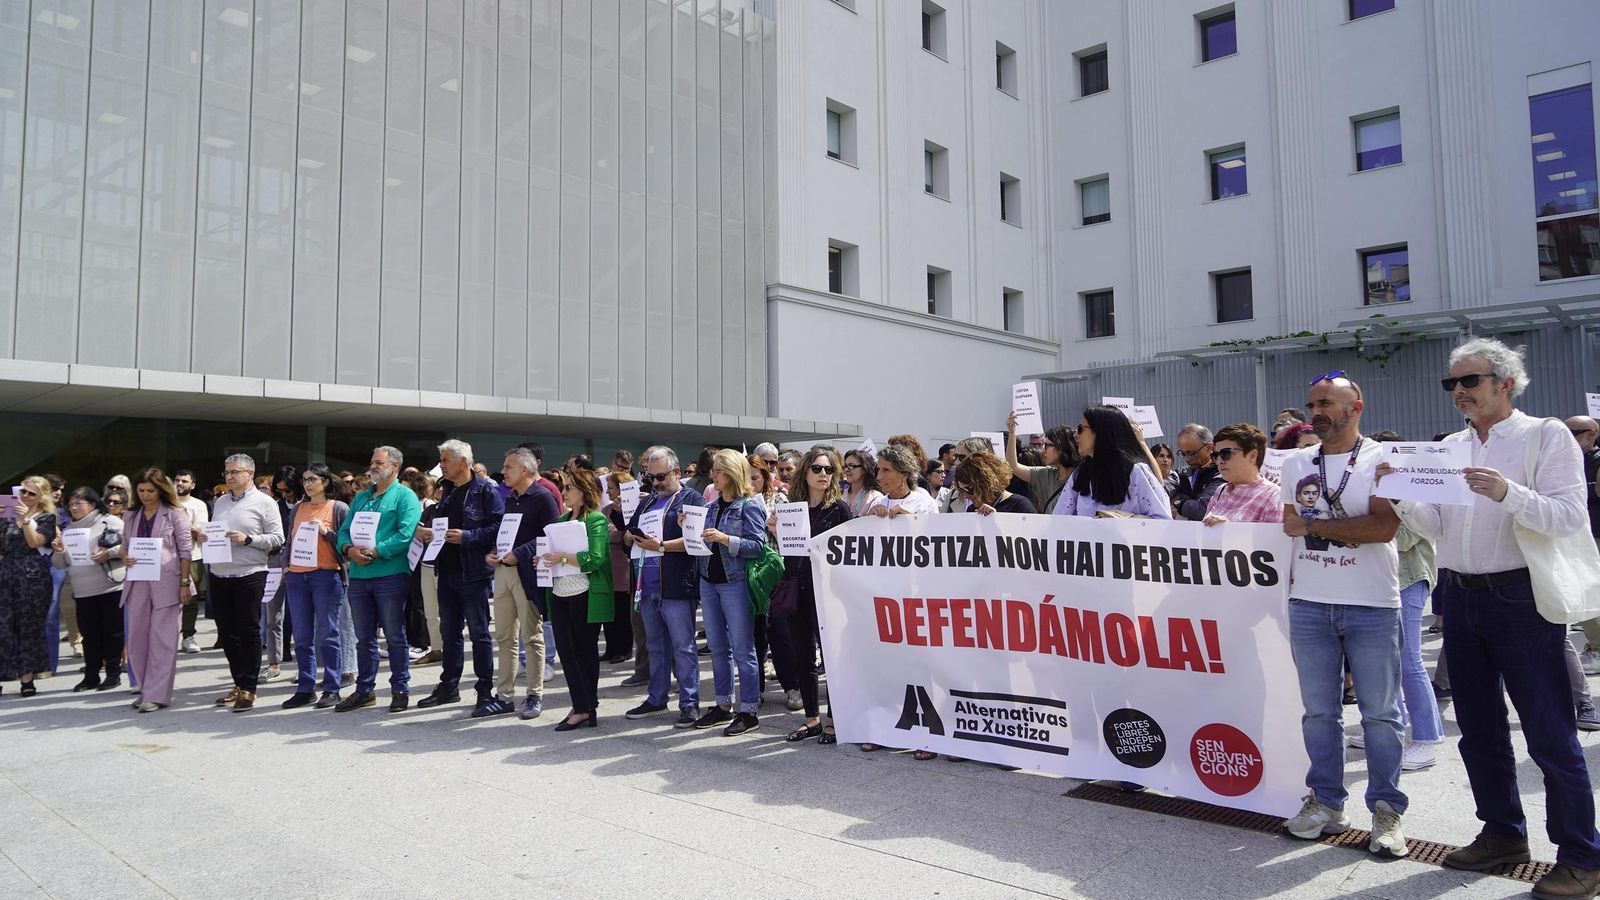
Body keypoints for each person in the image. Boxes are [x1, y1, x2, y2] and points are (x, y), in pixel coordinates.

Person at [1383, 339, 1600, 894]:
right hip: (1458, 594)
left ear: (1506, 383)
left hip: (1520, 597)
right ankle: (1502, 832)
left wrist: (1510, 493)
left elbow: (1571, 516)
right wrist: (1401, 495)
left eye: (1469, 381)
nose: (1458, 392)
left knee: (1549, 732)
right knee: (1477, 730)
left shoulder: (1544, 435)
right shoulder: (1451, 446)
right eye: (1451, 383)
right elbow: (1438, 528)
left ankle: (1582, 856)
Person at [1276, 372, 1408, 858]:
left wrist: (1316, 525)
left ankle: (1387, 810)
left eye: (1326, 403)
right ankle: (1327, 802)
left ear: (1356, 407)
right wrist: (1335, 528)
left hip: (1372, 602)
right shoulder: (1295, 462)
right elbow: (1290, 526)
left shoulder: (1383, 459)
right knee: (1319, 713)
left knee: (1380, 713)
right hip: (1309, 600)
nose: (1316, 412)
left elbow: (1382, 527)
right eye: (1312, 404)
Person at [1358, 431, 1444, 772]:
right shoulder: (1371, 485)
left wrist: (1370, 523)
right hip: (1378, 581)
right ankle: (1394, 727)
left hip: (1409, 578)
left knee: (1409, 660)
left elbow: (1404, 535)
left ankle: (1427, 738)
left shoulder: (1411, 485)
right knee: (1383, 661)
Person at [415, 439, 504, 716]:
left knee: (479, 634)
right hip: (447, 570)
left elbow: (499, 526)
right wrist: (430, 533)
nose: (441, 465)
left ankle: (485, 690)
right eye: (441, 460)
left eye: (445, 460)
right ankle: (449, 686)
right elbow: (444, 526)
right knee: (449, 632)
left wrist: (468, 537)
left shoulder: (485, 490)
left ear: (463, 462)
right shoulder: (448, 491)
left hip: (473, 573)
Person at [622, 447, 707, 727]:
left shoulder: (691, 498)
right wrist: (630, 535)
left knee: (683, 647)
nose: (656, 483)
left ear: (677, 473)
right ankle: (657, 698)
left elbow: (696, 540)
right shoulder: (647, 502)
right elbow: (628, 534)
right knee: (655, 646)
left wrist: (660, 545)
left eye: (661, 477)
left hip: (675, 585)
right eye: (651, 478)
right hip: (646, 585)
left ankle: (690, 703)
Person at [335, 447, 424, 713]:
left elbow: (406, 534)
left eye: (378, 462)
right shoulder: (361, 497)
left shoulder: (405, 496)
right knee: (364, 638)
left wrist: (376, 551)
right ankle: (364, 691)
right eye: (372, 461)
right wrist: (348, 550)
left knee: (395, 637)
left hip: (389, 575)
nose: (372, 466)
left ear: (395, 466)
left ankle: (400, 688)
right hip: (360, 577)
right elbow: (343, 532)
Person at [691, 449, 769, 736]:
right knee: (718, 648)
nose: (713, 475)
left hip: (734, 582)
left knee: (743, 649)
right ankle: (723, 705)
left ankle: (748, 710)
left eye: (718, 471)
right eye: (713, 470)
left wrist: (725, 539)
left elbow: (758, 546)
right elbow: (700, 545)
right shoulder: (711, 507)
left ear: (732, 474)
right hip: (708, 582)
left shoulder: (749, 506)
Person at [481, 446, 560, 719]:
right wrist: (494, 551)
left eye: (508, 467)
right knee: (504, 637)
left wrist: (520, 554)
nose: (503, 471)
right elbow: (507, 533)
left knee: (532, 636)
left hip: (527, 575)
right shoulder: (511, 499)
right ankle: (504, 696)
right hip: (502, 573)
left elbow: (550, 536)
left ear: (524, 469)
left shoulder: (544, 497)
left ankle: (534, 695)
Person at [202, 454, 285, 713]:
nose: (229, 477)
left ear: (250, 474)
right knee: (227, 633)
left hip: (250, 573)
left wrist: (248, 539)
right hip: (219, 573)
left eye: (234, 472)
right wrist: (205, 536)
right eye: (226, 472)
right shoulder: (221, 501)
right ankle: (238, 682)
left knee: (248, 631)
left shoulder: (265, 502)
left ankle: (249, 688)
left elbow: (277, 538)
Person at [781, 447, 852, 745]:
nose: (824, 475)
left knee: (831, 656)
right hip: (797, 588)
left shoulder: (839, 509)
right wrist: (776, 530)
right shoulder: (793, 507)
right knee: (802, 656)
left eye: (829, 470)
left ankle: (834, 720)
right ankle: (812, 718)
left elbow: (848, 553)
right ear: (806, 472)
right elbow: (789, 552)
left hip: (827, 592)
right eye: (818, 469)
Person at [541, 469, 613, 731]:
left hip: (585, 594)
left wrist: (561, 557)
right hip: (560, 593)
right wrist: (544, 558)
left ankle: (585, 708)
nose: (564, 492)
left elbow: (595, 559)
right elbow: (554, 553)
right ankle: (581, 705)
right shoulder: (561, 519)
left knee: (585, 652)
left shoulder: (596, 520)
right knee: (567, 654)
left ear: (584, 491)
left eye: (570, 488)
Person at [121, 468, 194, 712]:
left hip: (168, 582)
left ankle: (157, 693)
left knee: (163, 640)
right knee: (137, 638)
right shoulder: (131, 515)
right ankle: (144, 689)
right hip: (138, 580)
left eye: (150, 490)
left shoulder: (175, 514)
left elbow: (185, 551)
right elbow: (124, 547)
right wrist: (125, 557)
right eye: (140, 490)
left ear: (161, 489)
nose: (145, 495)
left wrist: (184, 583)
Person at [279, 463, 350, 710]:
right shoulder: (298, 508)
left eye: (313, 479)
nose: (308, 483)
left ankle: (332, 687)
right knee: (301, 635)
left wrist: (327, 533)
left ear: (325, 482)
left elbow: (345, 543)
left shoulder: (338, 508)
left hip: (326, 575)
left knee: (328, 633)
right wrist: (285, 565)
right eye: (305, 479)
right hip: (298, 577)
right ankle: (305, 687)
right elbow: (290, 540)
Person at [51, 488, 125, 692]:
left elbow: (128, 547)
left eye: (78, 503)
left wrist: (107, 554)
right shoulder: (69, 530)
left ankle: (112, 673)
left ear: (92, 504)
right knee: (89, 634)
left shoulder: (110, 522)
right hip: (83, 591)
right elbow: (59, 564)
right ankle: (91, 675)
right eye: (71, 504)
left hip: (110, 587)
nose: (73, 507)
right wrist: (58, 551)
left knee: (112, 632)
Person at [1053, 407, 1172, 519]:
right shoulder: (1080, 473)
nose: (1075, 435)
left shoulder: (1137, 472)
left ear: (1102, 432)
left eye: (1080, 429)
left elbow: (1163, 520)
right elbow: (1059, 519)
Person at [1, 476, 60, 697]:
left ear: (41, 497)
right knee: (4, 625)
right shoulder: (7, 516)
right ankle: (3, 674)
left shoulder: (46, 517)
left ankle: (27, 678)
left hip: (32, 575)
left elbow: (35, 542)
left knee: (28, 626)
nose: (25, 496)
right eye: (23, 491)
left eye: (31, 493)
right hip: (6, 573)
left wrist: (25, 520)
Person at [260, 465, 302, 682]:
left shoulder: (306, 505)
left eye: (288, 490)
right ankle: (273, 662)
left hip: (301, 560)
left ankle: (304, 666)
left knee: (302, 615)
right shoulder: (275, 506)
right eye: (281, 490)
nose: (285, 494)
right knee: (272, 614)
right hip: (276, 559)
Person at [1568, 414, 1600, 675]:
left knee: (1588, 593)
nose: (1568, 436)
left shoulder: (1596, 460)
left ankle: (1598, 648)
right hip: (1578, 535)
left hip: (1595, 533)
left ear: (1592, 433)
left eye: (1574, 431)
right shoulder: (1567, 461)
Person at [1201, 424, 1283, 525]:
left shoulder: (1273, 496)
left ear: (1252, 456)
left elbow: (1274, 540)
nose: (1219, 461)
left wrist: (1233, 531)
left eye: (1226, 453)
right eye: (1215, 455)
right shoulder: (1220, 491)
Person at [1005, 413, 1081, 513]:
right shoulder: (1044, 475)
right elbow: (1013, 466)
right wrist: (1012, 433)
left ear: (1062, 447)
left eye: (1047, 445)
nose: (1042, 450)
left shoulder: (1083, 477)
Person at [600, 468, 637, 665]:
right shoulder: (606, 510)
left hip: (623, 566)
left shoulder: (633, 508)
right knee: (609, 612)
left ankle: (624, 649)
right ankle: (611, 648)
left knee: (622, 612)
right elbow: (600, 534)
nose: (608, 492)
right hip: (608, 567)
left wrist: (615, 533)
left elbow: (625, 534)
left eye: (612, 488)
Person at [172, 469, 209, 654]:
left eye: (184, 481)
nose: (180, 483)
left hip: (193, 557)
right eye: (177, 480)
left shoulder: (199, 505)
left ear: (192, 485)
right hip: (168, 558)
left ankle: (188, 636)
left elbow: (201, 533)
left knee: (190, 599)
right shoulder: (165, 502)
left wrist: (182, 520)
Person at [868, 444, 940, 518]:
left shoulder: (925, 504)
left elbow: (935, 529)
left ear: (905, 473)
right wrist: (870, 519)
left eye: (886, 470)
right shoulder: (877, 503)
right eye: (878, 469)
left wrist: (912, 518)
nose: (879, 477)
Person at [958, 451, 1036, 515]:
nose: (966, 496)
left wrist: (997, 519)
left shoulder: (1020, 506)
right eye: (962, 490)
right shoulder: (972, 509)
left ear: (987, 483)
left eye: (969, 489)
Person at [1170, 424, 1222, 521]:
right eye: (1182, 453)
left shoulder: (1221, 473)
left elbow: (1201, 510)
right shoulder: (1181, 473)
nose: (1186, 458)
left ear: (1209, 448)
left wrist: (1179, 504)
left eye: (1191, 453)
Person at [841, 448, 884, 518]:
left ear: (865, 468)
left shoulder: (876, 498)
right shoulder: (839, 494)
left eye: (851, 466)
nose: (846, 470)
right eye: (845, 466)